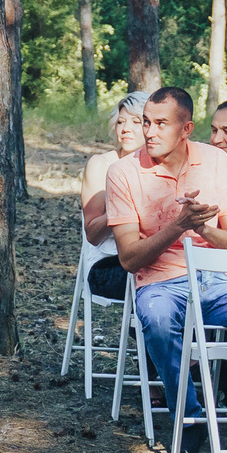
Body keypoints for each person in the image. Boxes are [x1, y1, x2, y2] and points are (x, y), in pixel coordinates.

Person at [106, 86, 227, 453]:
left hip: (217, 280)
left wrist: (200, 227)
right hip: (160, 283)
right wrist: (176, 225)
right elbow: (129, 260)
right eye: (146, 122)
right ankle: (189, 415)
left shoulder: (214, 161)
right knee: (157, 317)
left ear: (186, 128)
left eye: (161, 123)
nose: (149, 132)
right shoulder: (123, 172)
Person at [78, 93, 149, 300]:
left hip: (150, 258)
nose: (125, 129)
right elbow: (92, 234)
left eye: (136, 122)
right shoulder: (101, 164)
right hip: (108, 264)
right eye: (120, 122)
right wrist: (121, 208)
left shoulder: (160, 166)